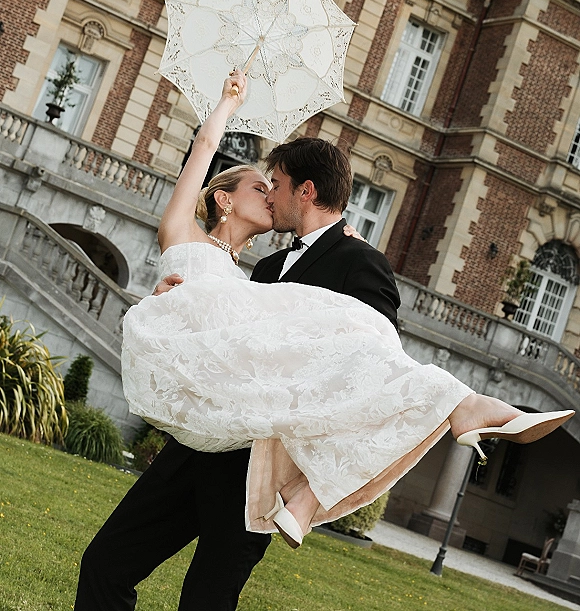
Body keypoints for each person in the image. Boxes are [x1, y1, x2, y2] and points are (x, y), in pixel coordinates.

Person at [75, 71, 573, 609]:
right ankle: (463, 405)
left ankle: (460, 404)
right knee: (104, 564)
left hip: (259, 469)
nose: (271, 196)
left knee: (205, 602)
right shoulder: (260, 269)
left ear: (305, 191)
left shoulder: (360, 262)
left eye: (277, 185)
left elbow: (371, 361)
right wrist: (173, 299)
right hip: (198, 450)